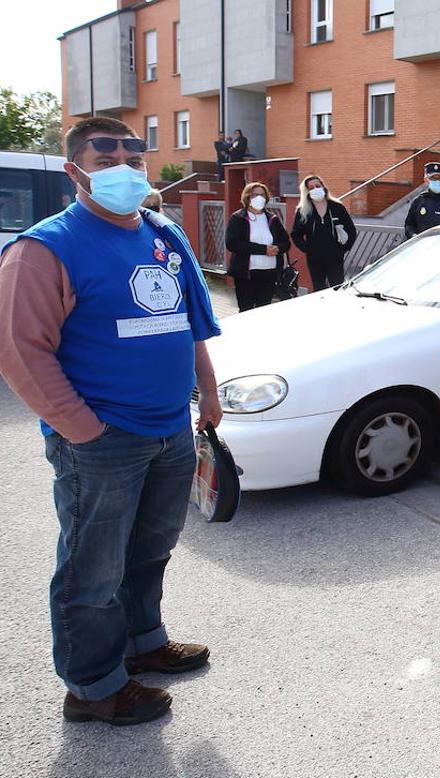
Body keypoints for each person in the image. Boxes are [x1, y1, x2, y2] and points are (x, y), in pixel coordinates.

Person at [0, 116, 222, 726]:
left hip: (170, 429)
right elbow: (20, 351)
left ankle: (142, 643)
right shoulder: (44, 249)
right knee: (91, 568)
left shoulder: (161, 232)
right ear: (75, 171)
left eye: (135, 157)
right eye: (106, 159)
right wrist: (81, 429)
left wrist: (206, 392)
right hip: (100, 441)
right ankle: (93, 688)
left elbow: (189, 322)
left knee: (150, 549)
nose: (125, 169)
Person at [225, 181, 290, 312]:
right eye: (255, 195)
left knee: (264, 310)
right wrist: (263, 250)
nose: (259, 198)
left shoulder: (272, 218)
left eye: (262, 195)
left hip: (269, 273)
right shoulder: (238, 218)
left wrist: (278, 249)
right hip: (246, 274)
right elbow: (232, 243)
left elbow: (286, 242)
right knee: (246, 310)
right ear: (247, 197)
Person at [291, 174, 357, 291]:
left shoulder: (337, 207)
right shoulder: (303, 211)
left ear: (323, 187)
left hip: (335, 257)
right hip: (314, 259)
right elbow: (296, 234)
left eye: (318, 185)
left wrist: (344, 248)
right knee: (318, 288)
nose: (315, 189)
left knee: (337, 288)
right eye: (311, 188)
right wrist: (308, 249)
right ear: (307, 192)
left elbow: (351, 230)